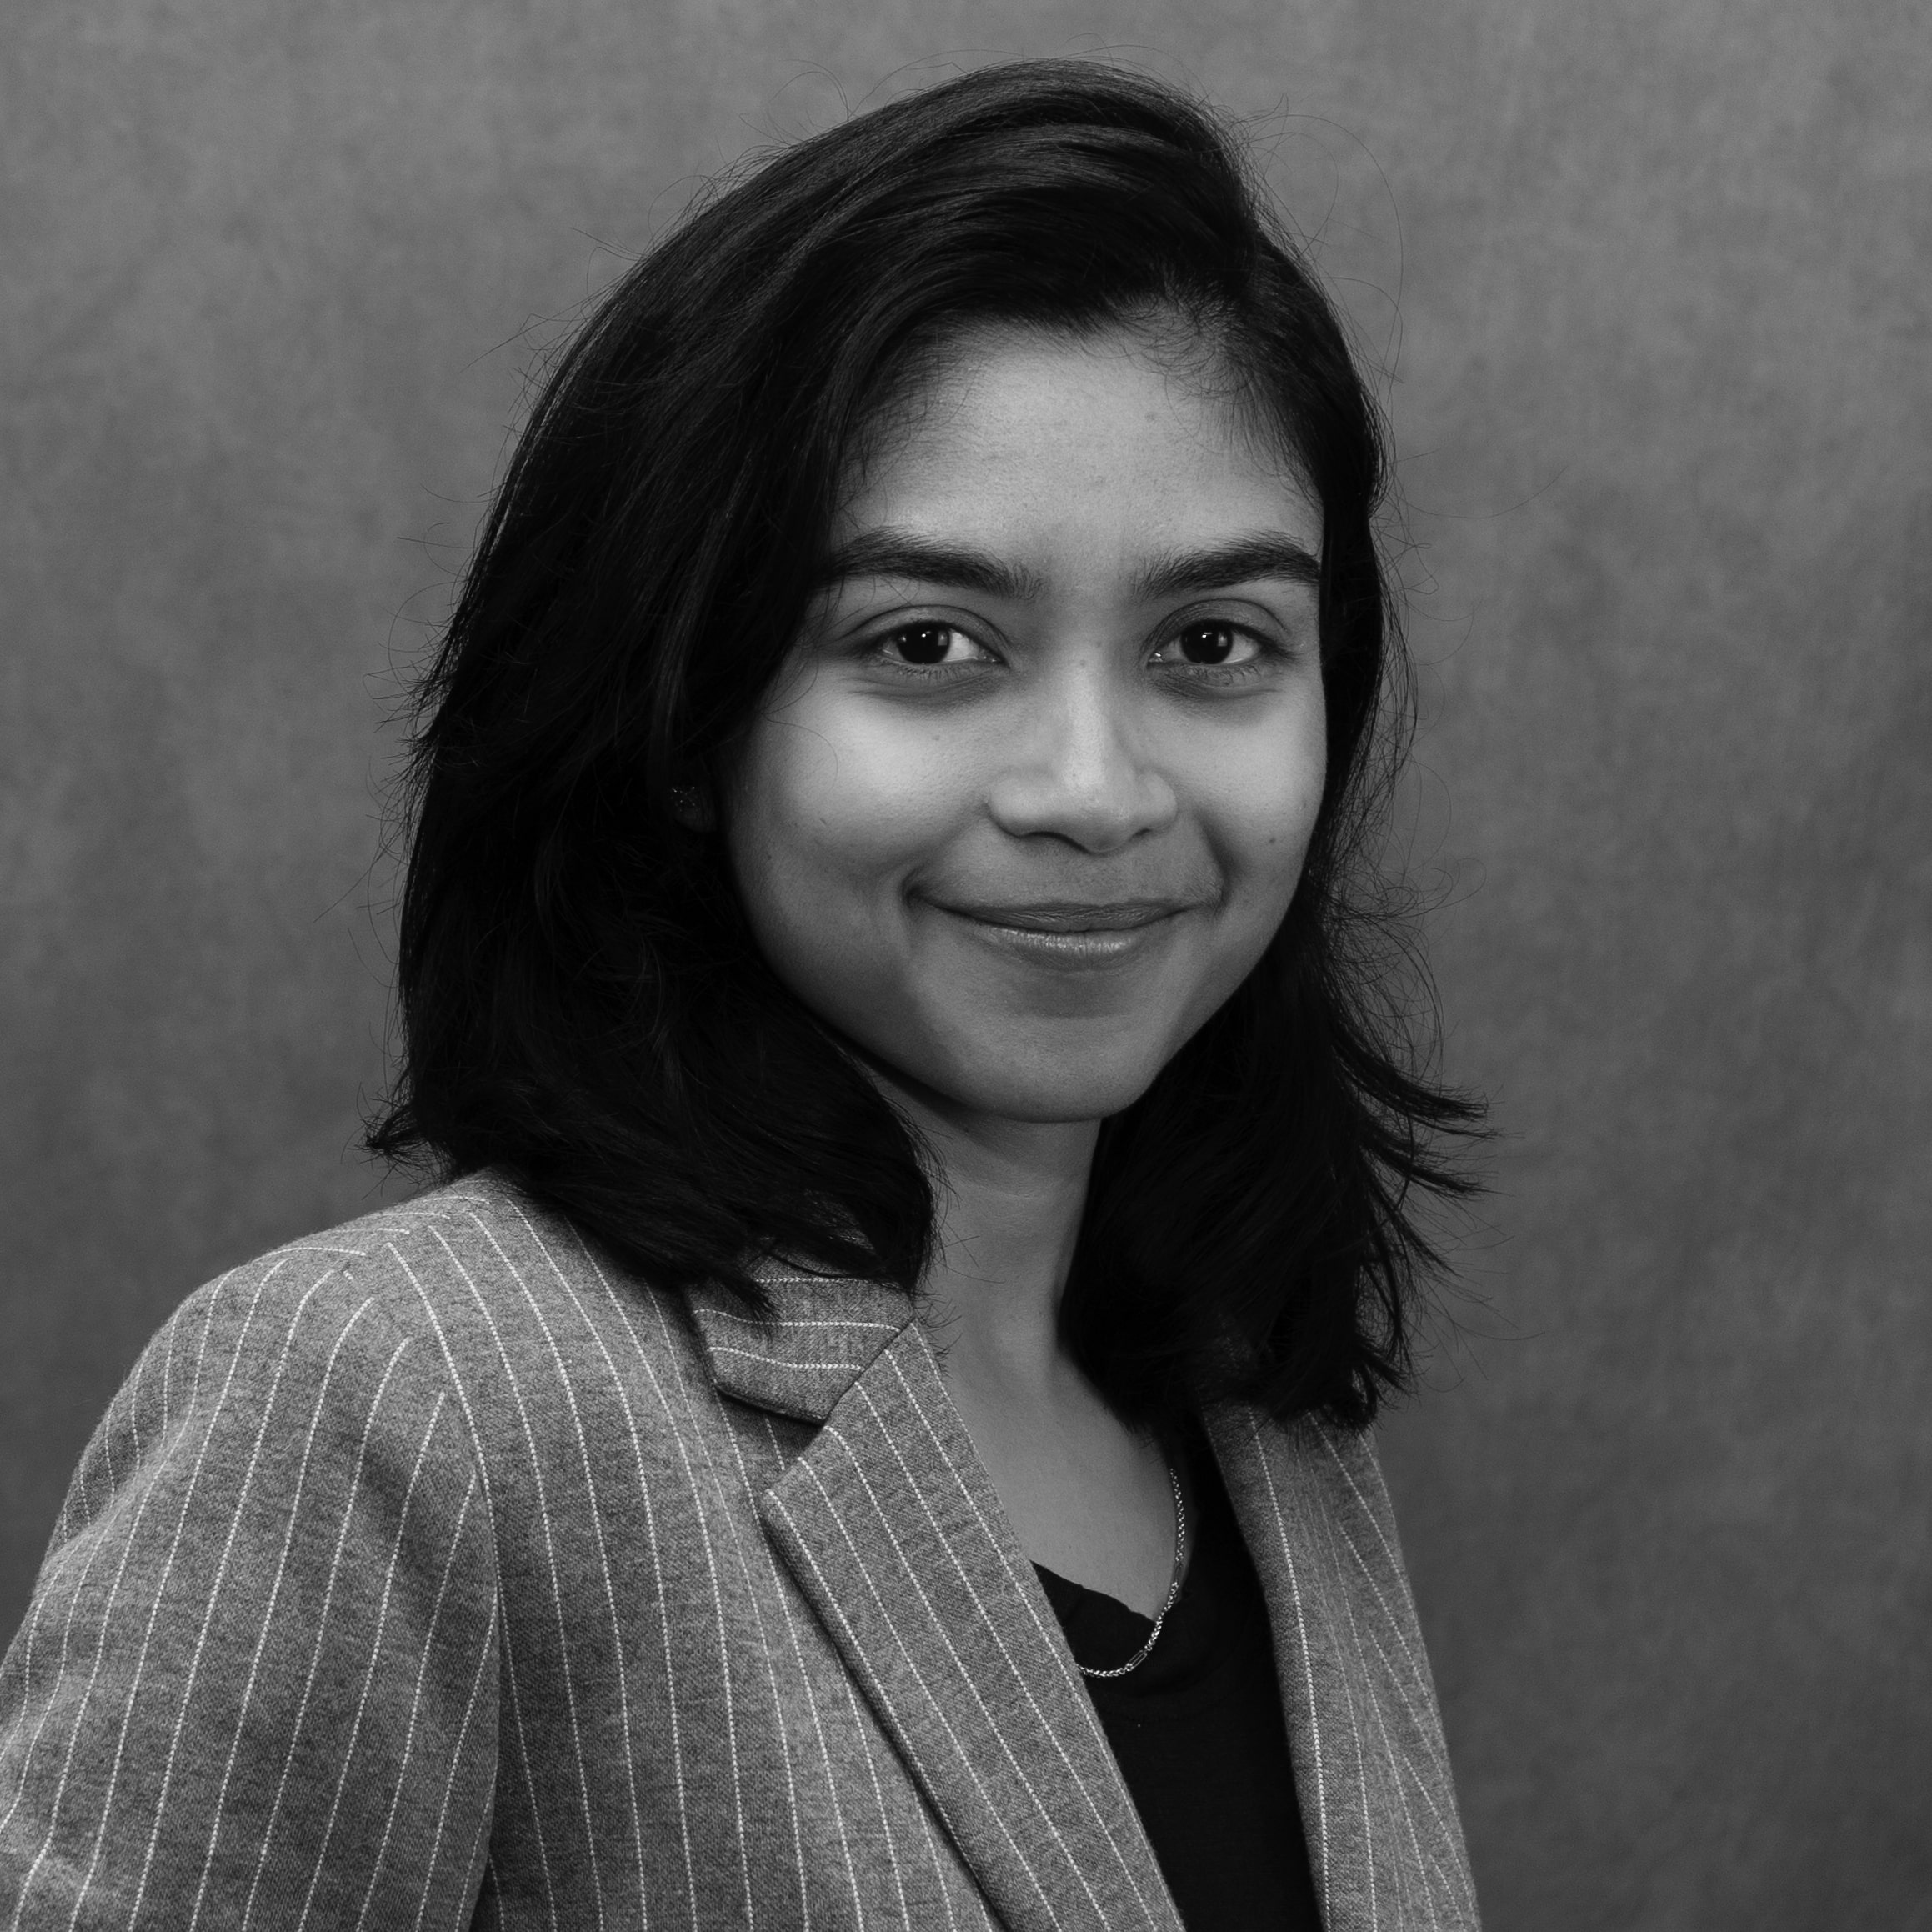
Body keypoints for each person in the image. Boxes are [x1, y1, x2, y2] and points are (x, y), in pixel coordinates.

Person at [0, 59, 1484, 1931]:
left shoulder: (1267, 1425)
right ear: (690, 717)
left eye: (1212, 641)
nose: (1095, 790)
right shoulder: (393, 1404)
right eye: (927, 641)